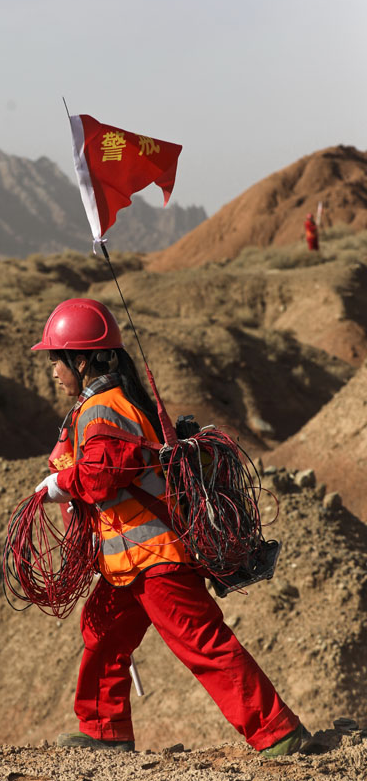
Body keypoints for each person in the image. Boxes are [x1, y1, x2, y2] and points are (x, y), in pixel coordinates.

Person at [32, 297, 309, 757]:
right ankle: (104, 732)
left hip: (154, 557)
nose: (53, 372)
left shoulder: (103, 408)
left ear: (80, 361)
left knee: (204, 644)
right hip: (130, 561)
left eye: (55, 362)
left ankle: (278, 734)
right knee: (101, 633)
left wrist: (60, 484)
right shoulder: (109, 403)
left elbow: (102, 475)